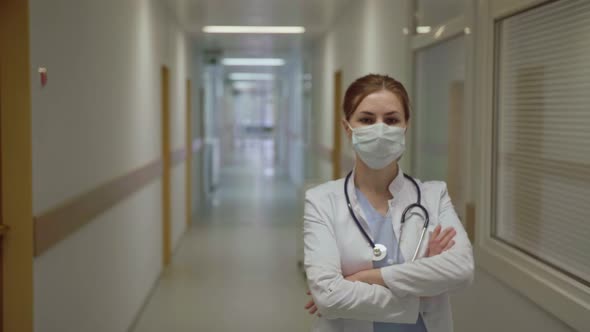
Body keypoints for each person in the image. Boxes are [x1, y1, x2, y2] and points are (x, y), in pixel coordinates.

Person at [302, 74, 474, 332]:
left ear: (406, 126)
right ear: (347, 126)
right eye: (367, 119)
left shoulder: (433, 196)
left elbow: (461, 269)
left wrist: (366, 278)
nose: (380, 129)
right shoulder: (322, 201)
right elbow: (329, 296)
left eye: (392, 120)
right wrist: (421, 287)